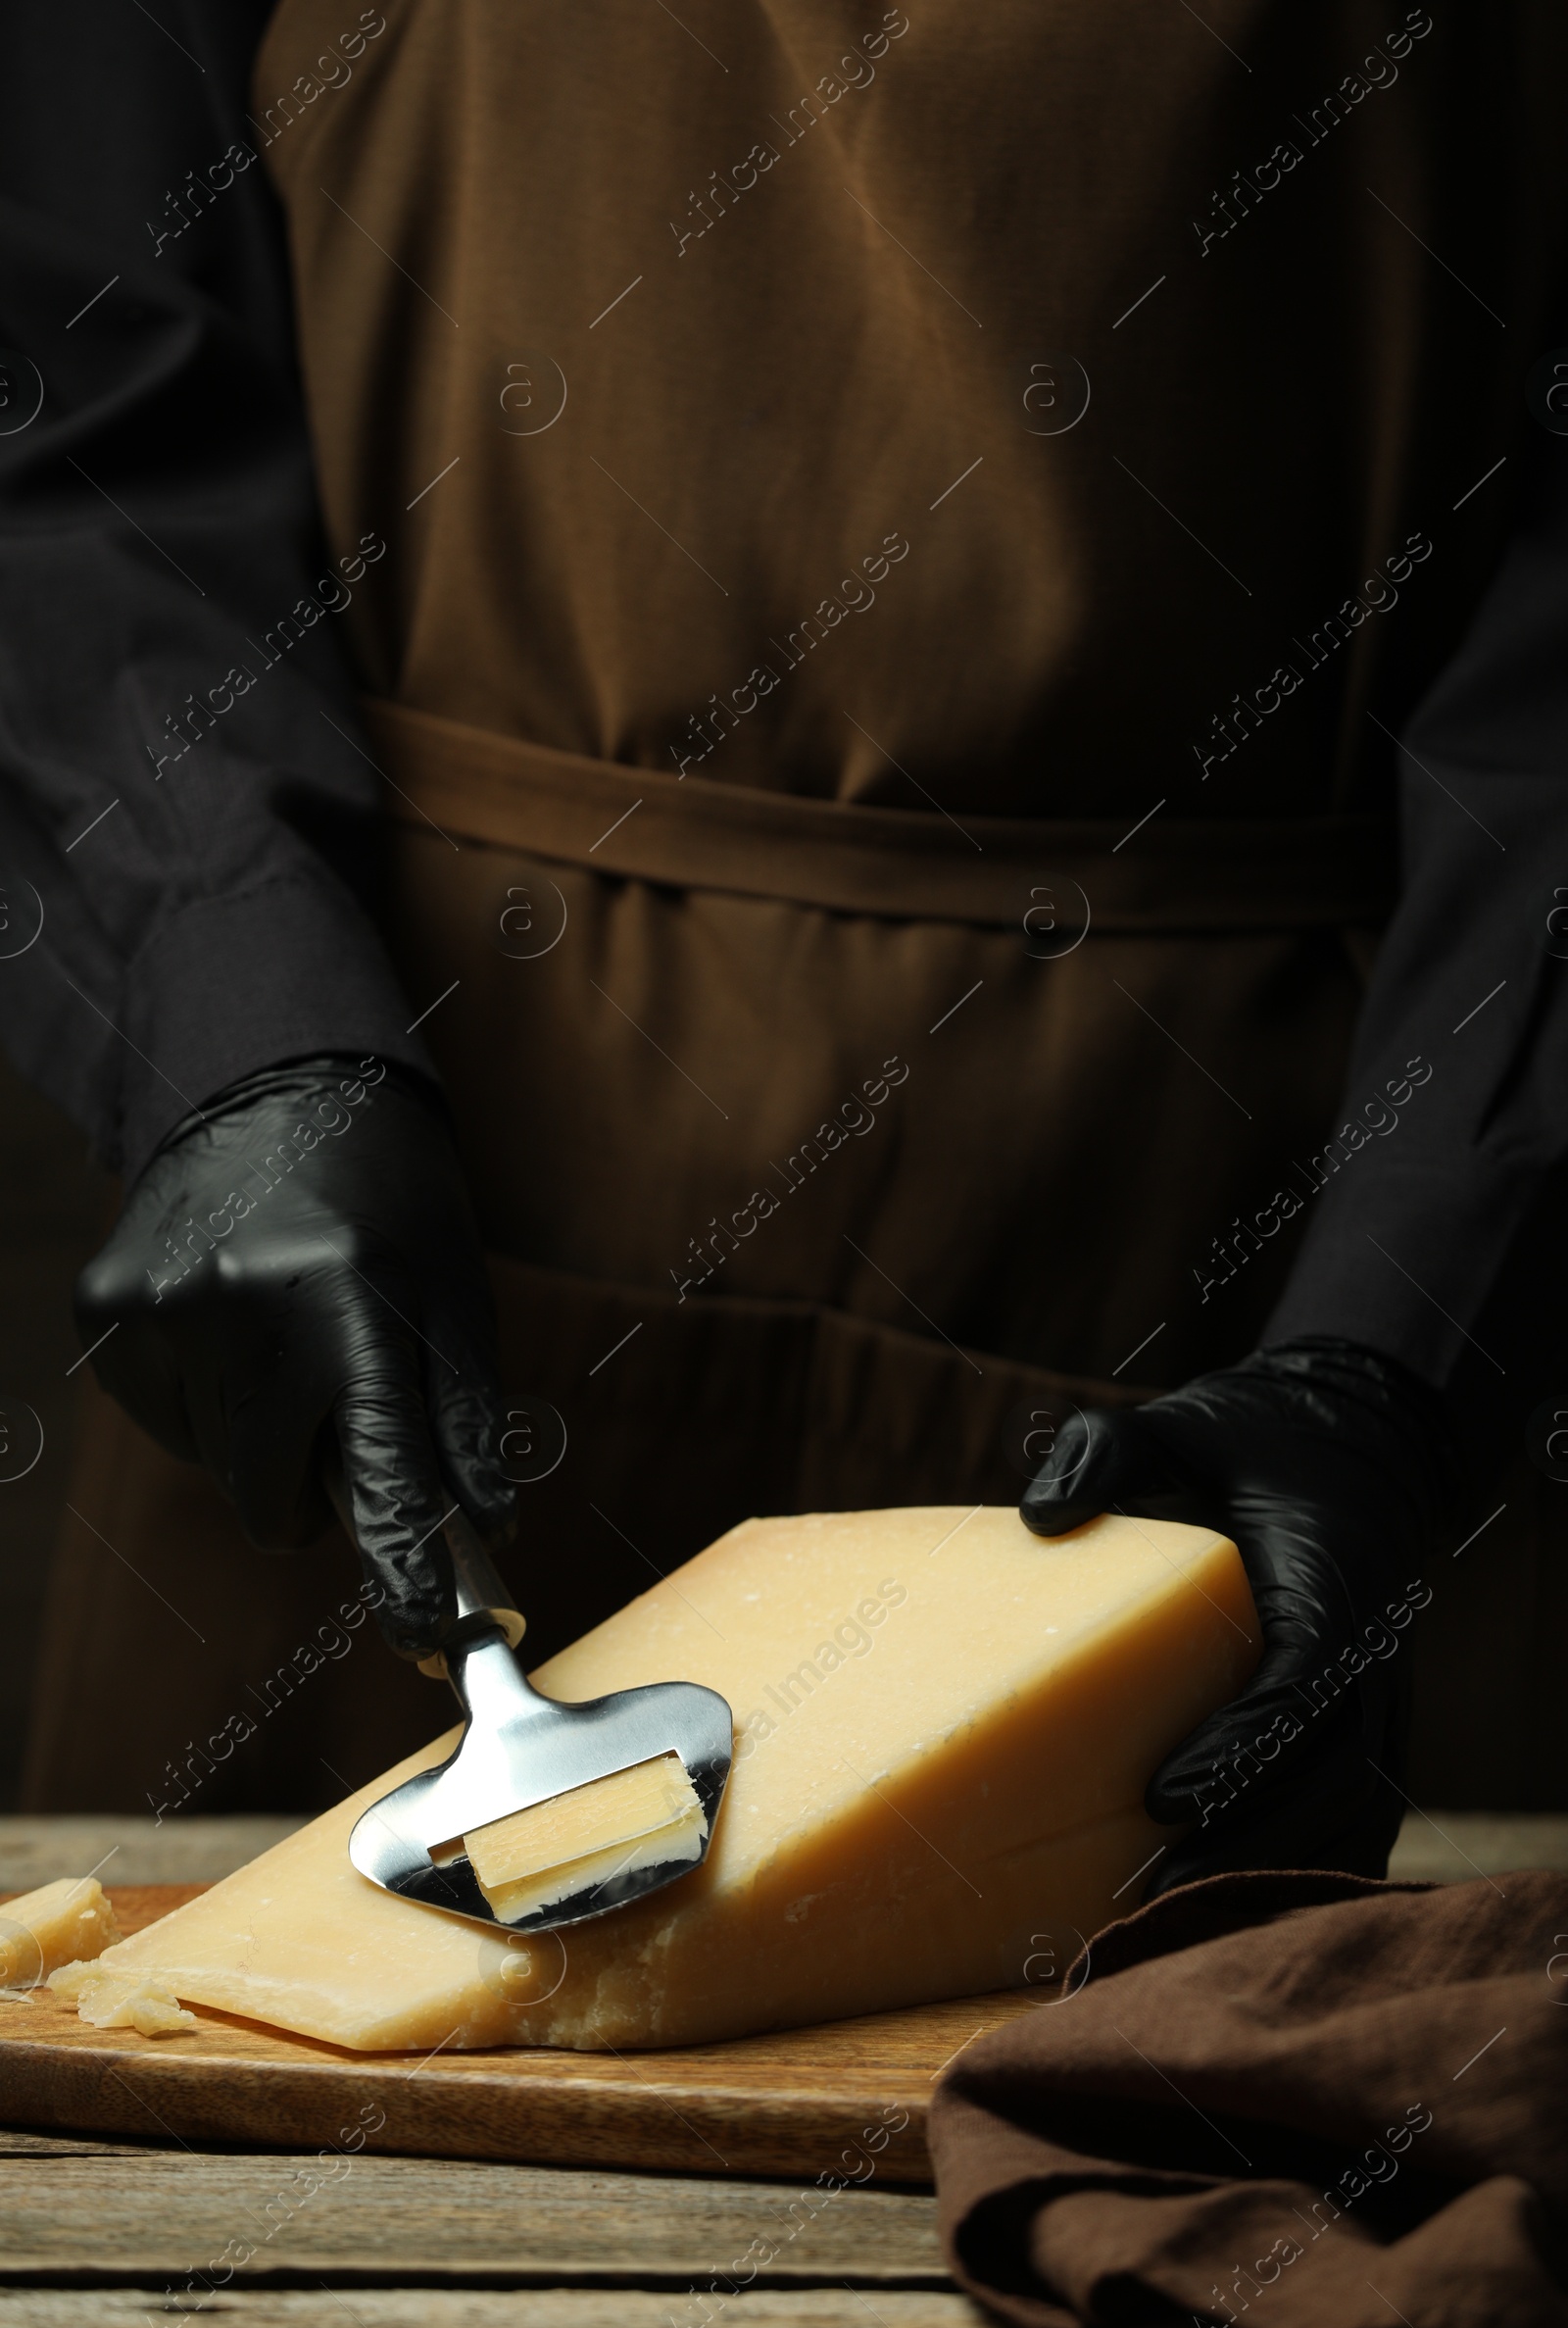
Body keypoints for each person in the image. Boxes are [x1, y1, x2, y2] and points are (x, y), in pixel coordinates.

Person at [2, 0, 1565, 1879]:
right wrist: (229, 995)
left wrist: (1404, 1341)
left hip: (1265, 1273)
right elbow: (67, 380)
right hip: (407, 1212)